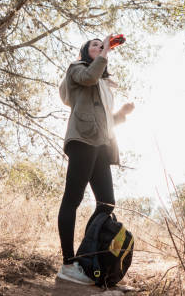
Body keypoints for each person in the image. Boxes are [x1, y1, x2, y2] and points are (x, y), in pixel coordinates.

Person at [56, 35, 135, 285]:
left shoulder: (103, 83)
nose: (100, 48)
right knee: (73, 199)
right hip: (82, 140)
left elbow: (105, 120)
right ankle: (68, 264)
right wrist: (106, 49)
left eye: (101, 46)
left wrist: (121, 114)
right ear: (85, 51)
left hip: (101, 145)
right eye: (95, 45)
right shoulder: (77, 69)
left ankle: (85, 260)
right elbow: (89, 77)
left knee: (107, 203)